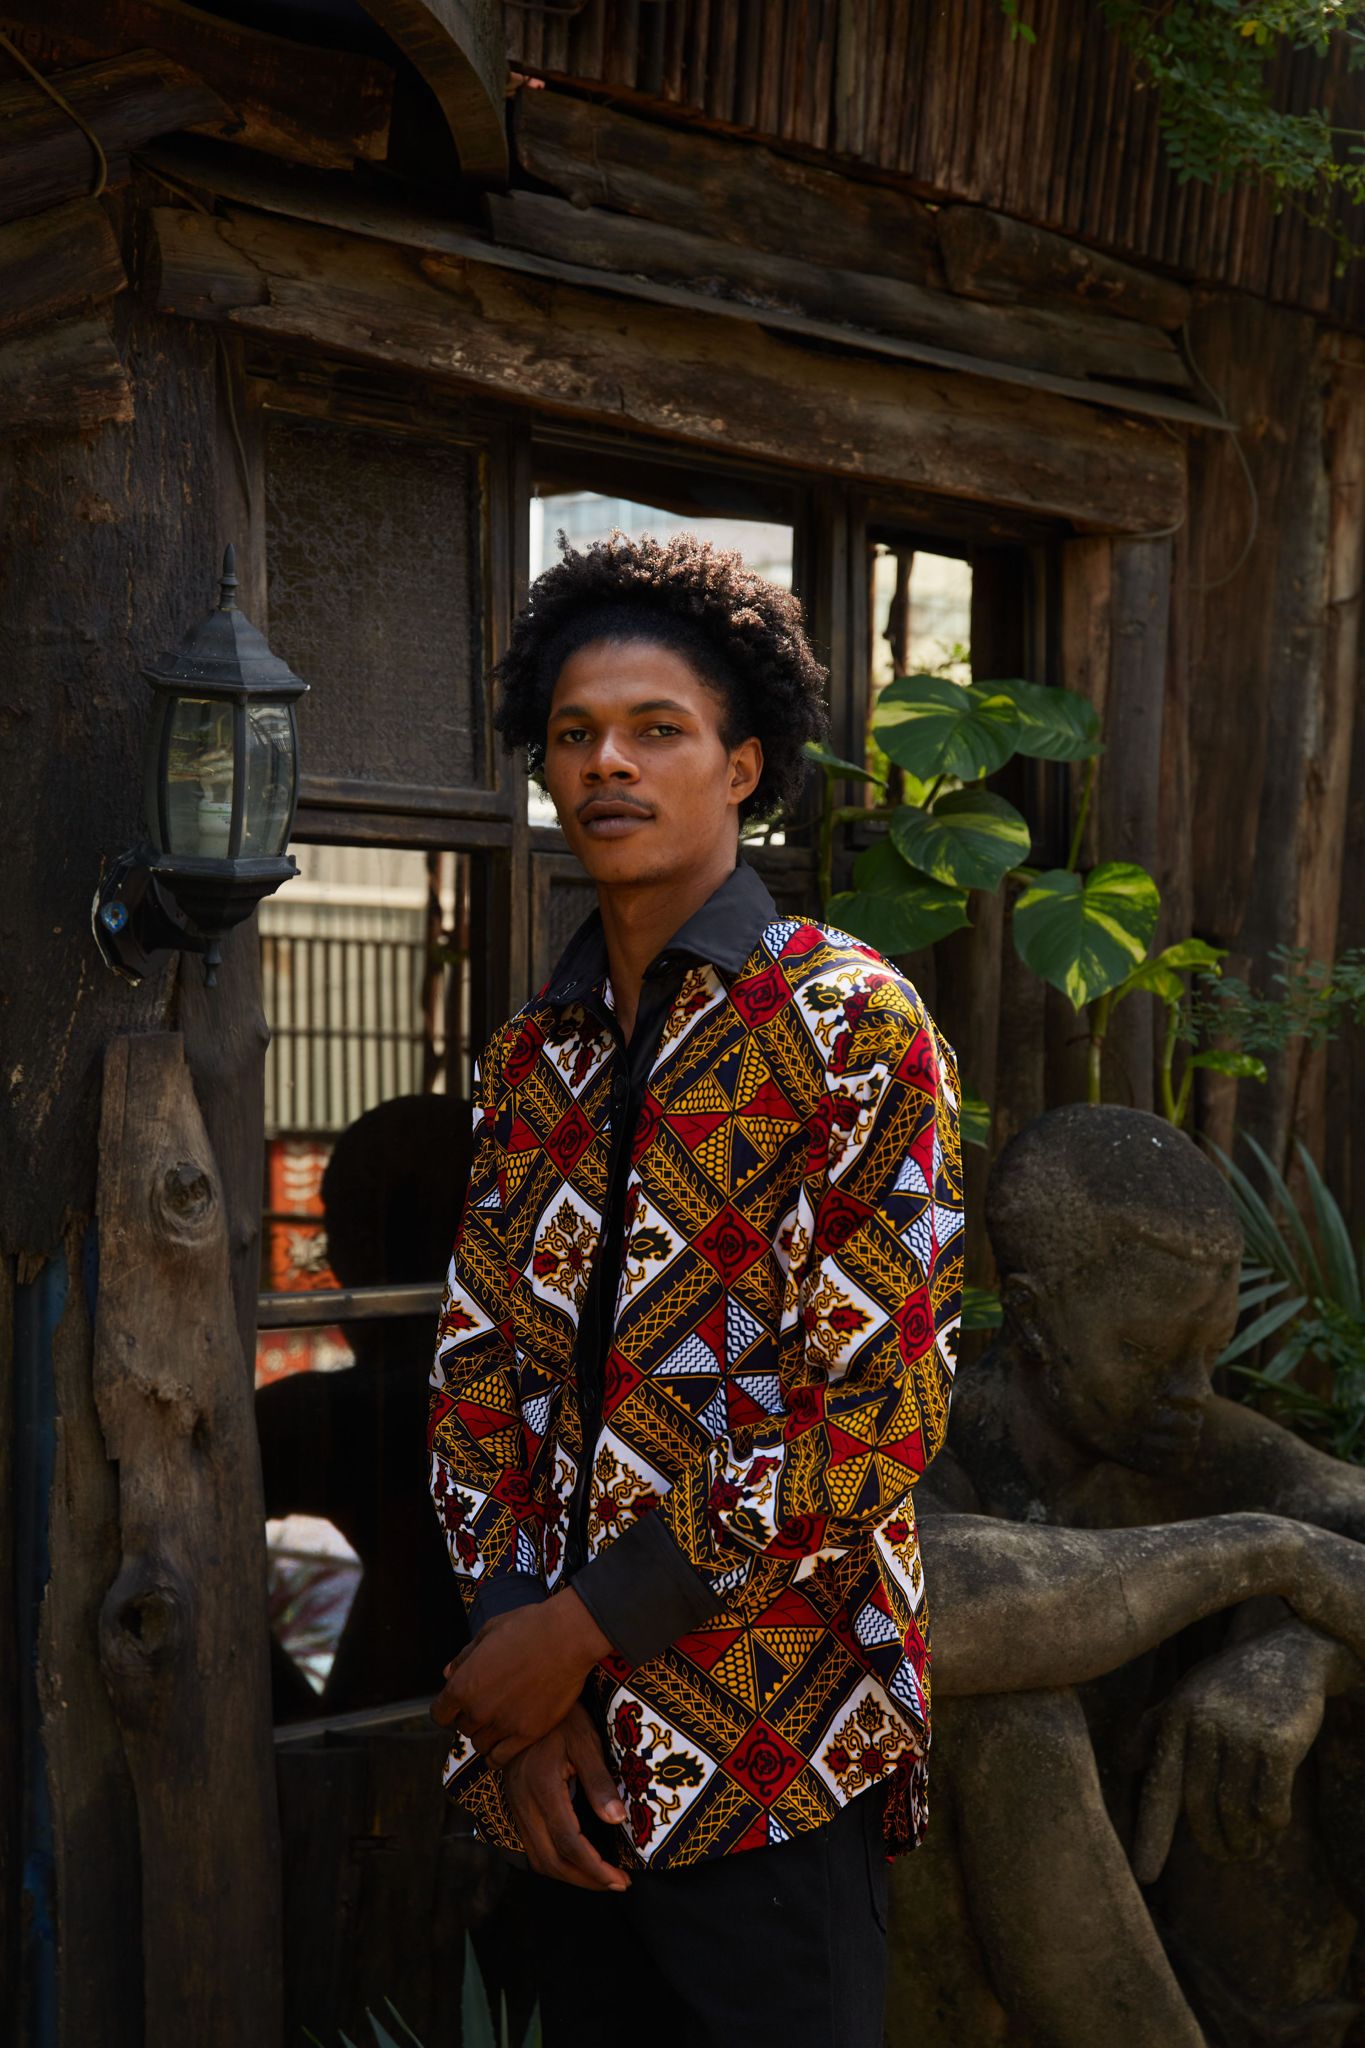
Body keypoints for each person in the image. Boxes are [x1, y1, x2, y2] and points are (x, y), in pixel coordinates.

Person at [425, 530, 963, 2046]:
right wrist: (521, 1667)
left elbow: (880, 1413)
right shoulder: (533, 1058)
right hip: (558, 1766)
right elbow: (476, 1377)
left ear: (742, 767)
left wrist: (586, 1624)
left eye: (656, 729)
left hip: (774, 1749)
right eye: (575, 733)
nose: (607, 762)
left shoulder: (849, 1028)